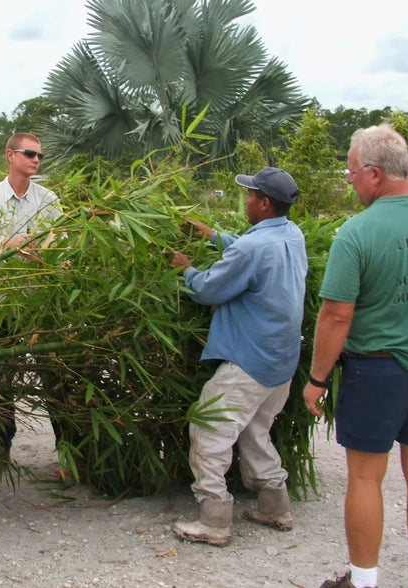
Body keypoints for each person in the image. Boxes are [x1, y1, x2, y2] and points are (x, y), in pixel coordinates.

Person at [304, 125, 408, 588]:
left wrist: (317, 378)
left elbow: (336, 316)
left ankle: (363, 581)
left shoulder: (357, 233)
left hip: (378, 369)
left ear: (376, 175)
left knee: (364, 479)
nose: (350, 181)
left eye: (352, 173)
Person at [170, 167, 307, 547]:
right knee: (253, 429)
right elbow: (249, 253)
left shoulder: (254, 246)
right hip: (281, 362)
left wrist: (187, 270)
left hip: (249, 360)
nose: (245, 200)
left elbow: (211, 289)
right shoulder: (290, 234)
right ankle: (275, 505)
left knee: (208, 428)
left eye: (249, 195)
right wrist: (214, 237)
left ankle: (214, 519)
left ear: (264, 202)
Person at [0, 132, 62, 474]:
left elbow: (60, 243)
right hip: (1, 301)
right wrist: (8, 244)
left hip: (41, 301)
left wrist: (45, 250)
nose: (36, 160)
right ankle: (0, 448)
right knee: (0, 378)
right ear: (10, 155)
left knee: (54, 376)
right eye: (30, 154)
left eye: (39, 156)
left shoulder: (48, 199)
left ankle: (67, 449)